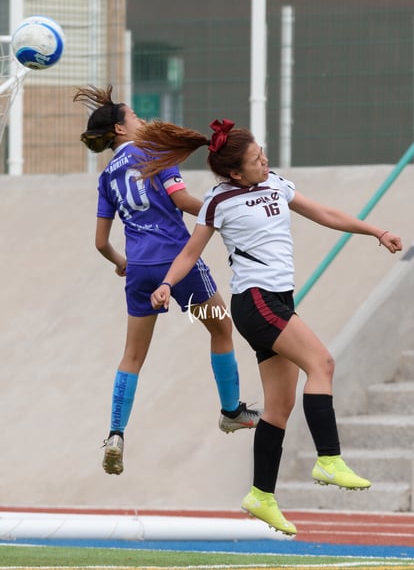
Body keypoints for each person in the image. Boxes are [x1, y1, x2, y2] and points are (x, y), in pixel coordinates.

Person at [133, 117, 403, 536]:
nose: (265, 160)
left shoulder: (275, 183)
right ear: (235, 172)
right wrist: (168, 284)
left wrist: (375, 230)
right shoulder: (217, 202)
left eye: (263, 154)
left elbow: (323, 213)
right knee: (323, 364)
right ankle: (329, 459)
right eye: (257, 159)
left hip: (278, 300)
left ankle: (261, 495)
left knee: (279, 408)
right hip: (254, 302)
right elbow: (190, 252)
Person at [73, 88, 261, 477]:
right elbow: (180, 199)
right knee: (221, 328)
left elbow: (100, 243)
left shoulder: (107, 176)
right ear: (122, 129)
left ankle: (115, 433)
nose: (142, 120)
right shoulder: (153, 153)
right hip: (179, 264)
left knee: (133, 356)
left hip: (141, 271)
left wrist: (122, 263)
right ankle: (231, 411)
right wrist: (225, 206)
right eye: (135, 116)